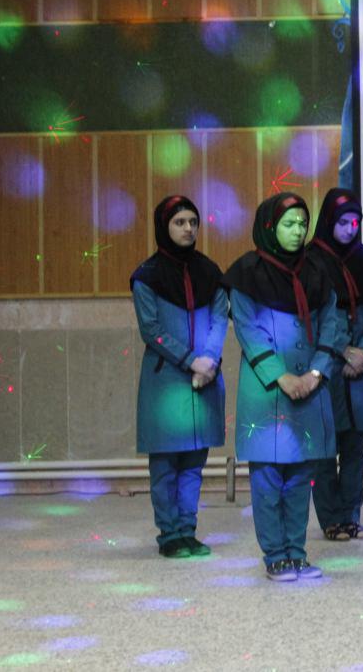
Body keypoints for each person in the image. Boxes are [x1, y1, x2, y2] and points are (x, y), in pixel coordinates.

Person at [223, 193, 344, 581]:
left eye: (302, 224)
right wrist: (282, 376)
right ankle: (275, 554)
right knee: (268, 478)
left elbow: (332, 326)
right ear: (269, 226)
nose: (297, 231)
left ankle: (297, 552)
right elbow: (248, 329)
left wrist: (316, 373)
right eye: (288, 224)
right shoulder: (246, 273)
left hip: (310, 388)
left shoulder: (318, 271)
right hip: (267, 391)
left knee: (300, 479)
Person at [130, 195, 227, 559]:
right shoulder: (146, 276)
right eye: (179, 222)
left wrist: (209, 360)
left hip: (205, 378)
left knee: (193, 465)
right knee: (165, 465)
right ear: (163, 226)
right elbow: (151, 330)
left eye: (193, 222)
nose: (188, 229)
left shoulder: (211, 273)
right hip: (165, 381)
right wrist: (191, 361)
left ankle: (188, 530)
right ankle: (169, 534)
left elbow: (220, 319)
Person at [307, 188, 363, 542]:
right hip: (327, 366)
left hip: (362, 369)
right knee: (325, 448)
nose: (349, 229)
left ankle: (350, 516)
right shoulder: (311, 262)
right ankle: (331, 519)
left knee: (355, 448)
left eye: (355, 222)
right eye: (343, 222)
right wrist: (343, 350)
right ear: (328, 221)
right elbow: (312, 315)